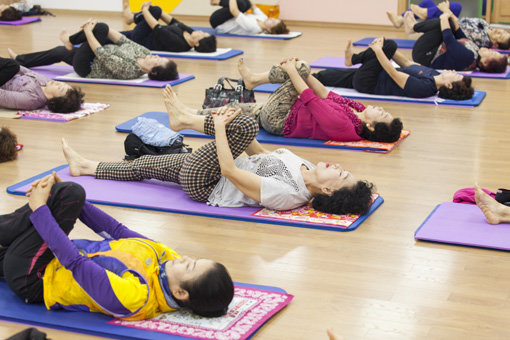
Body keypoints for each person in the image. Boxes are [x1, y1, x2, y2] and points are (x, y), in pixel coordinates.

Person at [62, 85, 375, 215]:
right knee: (142, 165)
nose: (338, 165)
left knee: (245, 126)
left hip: (207, 184)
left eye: (341, 173)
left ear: (330, 189)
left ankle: (184, 119)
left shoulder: (289, 195)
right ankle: (86, 167)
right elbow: (258, 154)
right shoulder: (304, 165)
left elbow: (230, 171)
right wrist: (232, 126)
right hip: (208, 166)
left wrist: (225, 129)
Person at [0, 172, 234, 319]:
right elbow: (117, 231)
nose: (184, 258)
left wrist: (41, 208)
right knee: (69, 193)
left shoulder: (134, 296)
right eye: (193, 260)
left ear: (180, 293)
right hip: (46, 257)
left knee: (68, 194)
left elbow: (75, 262)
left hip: (33, 277)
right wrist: (74, 203)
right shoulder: (165, 259)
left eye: (190, 267)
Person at [196, 58, 403, 143]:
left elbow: (308, 96)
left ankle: (253, 80)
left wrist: (295, 71)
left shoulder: (344, 125)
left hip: (279, 119)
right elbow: (324, 92)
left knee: (301, 67)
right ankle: (190, 116)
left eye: (382, 114)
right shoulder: (356, 109)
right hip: (285, 111)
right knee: (233, 110)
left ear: (371, 127)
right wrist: (303, 73)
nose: (381, 108)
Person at [9, 19, 178, 81]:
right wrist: (100, 26)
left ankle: (70, 40)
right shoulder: (145, 53)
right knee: (59, 52)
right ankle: (20, 60)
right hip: (92, 54)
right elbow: (123, 40)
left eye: (158, 60)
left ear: (153, 72)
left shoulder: (131, 71)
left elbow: (101, 54)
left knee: (98, 29)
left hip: (87, 66)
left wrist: (90, 31)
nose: (155, 56)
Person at [314, 38, 474, 100]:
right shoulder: (433, 74)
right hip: (373, 74)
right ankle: (301, 77)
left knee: (390, 44)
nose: (454, 71)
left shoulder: (425, 88)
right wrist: (385, 49)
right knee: (324, 76)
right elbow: (405, 62)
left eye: (455, 76)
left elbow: (393, 72)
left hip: (369, 82)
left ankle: (352, 60)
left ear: (449, 85)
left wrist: (380, 50)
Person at [408, 12, 507, 73]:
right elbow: (462, 37)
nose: (490, 50)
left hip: (423, 55)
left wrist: (443, 18)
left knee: (441, 25)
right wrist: (451, 18)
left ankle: (413, 27)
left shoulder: (469, 58)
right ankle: (414, 27)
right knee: (449, 24)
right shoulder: (475, 54)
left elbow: (449, 39)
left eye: (492, 53)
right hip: (431, 49)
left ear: (485, 63)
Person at [122, 2, 216, 53]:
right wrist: (152, 8)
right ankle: (131, 18)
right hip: (145, 31)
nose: (200, 31)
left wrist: (145, 9)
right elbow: (172, 21)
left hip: (140, 38)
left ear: (196, 43)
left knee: (156, 10)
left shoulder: (180, 44)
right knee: (157, 10)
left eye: (202, 34)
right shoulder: (191, 33)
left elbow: (155, 26)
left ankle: (130, 18)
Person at [0, 57, 84, 112]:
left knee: (13, 65)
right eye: (62, 83)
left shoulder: (31, 99)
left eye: (59, 88)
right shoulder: (46, 82)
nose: (58, 83)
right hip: (6, 71)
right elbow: (25, 70)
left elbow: (3, 96)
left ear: (53, 100)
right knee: (13, 65)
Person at [210, 0, 289, 35]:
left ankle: (216, 1)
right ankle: (216, 1)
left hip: (218, 22)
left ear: (269, 30)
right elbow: (252, 5)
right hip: (227, 18)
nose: (271, 18)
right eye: (274, 19)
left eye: (273, 22)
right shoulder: (264, 18)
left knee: (241, 5)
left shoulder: (254, 27)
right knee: (246, 4)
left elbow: (234, 10)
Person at [387, 0, 462, 30]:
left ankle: (425, 13)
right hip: (454, 22)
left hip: (459, 26)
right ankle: (400, 20)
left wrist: (446, 9)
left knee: (457, 6)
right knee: (428, 2)